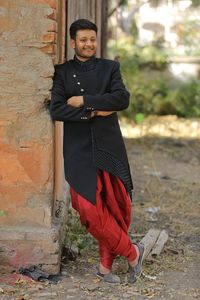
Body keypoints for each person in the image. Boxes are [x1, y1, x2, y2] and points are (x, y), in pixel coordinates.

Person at [50, 19, 144, 284]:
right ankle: (133, 252)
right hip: (78, 151)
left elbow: (122, 99)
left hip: (109, 146)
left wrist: (85, 102)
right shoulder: (62, 72)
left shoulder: (109, 68)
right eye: (83, 40)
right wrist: (98, 111)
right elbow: (57, 109)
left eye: (92, 39)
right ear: (73, 43)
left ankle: (105, 267)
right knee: (89, 210)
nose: (88, 44)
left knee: (113, 208)